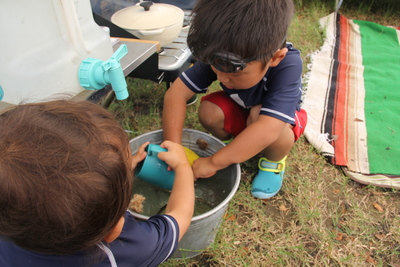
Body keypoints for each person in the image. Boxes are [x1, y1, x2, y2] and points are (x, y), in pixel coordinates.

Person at [0, 100, 195, 267]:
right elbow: (179, 217)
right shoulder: (122, 250)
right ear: (114, 231)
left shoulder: (10, 214)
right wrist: (183, 168)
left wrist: (121, 169)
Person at [162, 0, 307, 199]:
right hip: (243, 110)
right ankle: (239, 145)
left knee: (261, 117)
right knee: (209, 111)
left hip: (277, 124)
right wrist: (174, 147)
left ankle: (273, 163)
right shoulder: (221, 50)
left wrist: (213, 162)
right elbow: (176, 94)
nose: (221, 78)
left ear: (275, 58)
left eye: (236, 75)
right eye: (215, 68)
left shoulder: (288, 65)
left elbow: (269, 128)